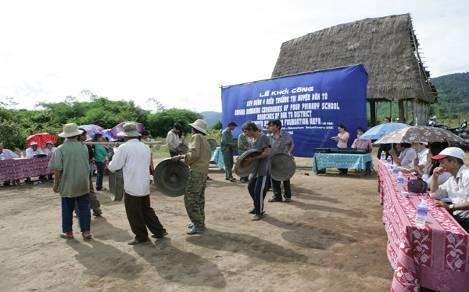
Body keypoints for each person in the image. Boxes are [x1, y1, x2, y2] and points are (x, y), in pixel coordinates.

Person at [108, 122, 167, 245]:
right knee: (146, 210)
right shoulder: (144, 147)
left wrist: (114, 154)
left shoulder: (123, 148)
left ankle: (141, 236)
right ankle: (159, 231)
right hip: (144, 184)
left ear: (125, 136)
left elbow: (114, 167)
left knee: (134, 213)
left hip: (132, 185)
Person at [48, 123, 92, 240]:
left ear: (65, 136)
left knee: (67, 209)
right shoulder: (83, 147)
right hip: (83, 183)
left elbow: (57, 169)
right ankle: (86, 231)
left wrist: (56, 185)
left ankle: (68, 232)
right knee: (84, 208)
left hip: (68, 184)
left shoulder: (60, 149)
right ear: (77, 134)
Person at [173, 119, 211, 234]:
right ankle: (199, 222)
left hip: (196, 172)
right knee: (199, 198)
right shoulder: (205, 140)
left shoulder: (196, 137)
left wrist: (184, 159)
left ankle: (199, 225)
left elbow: (194, 154)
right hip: (203, 172)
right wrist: (183, 156)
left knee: (190, 199)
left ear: (195, 129)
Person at [430, 147, 469, 231]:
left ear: (454, 162)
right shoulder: (451, 179)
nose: (440, 166)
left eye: (443, 162)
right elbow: (434, 194)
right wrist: (435, 176)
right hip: (459, 217)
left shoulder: (467, 175)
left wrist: (450, 207)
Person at [243, 122, 272, 221]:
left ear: (251, 129)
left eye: (246, 132)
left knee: (258, 191)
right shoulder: (252, 140)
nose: (245, 134)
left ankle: (259, 212)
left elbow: (267, 152)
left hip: (263, 169)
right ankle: (257, 206)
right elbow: (252, 154)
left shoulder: (263, 137)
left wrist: (253, 158)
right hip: (255, 170)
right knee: (250, 187)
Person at [267, 119, 294, 202]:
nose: (269, 127)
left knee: (285, 178)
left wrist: (289, 152)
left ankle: (287, 196)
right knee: (274, 178)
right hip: (273, 160)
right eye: (269, 126)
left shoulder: (285, 135)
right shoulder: (269, 137)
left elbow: (291, 144)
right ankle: (277, 196)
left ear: (277, 126)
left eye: (271, 125)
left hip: (284, 160)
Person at [78, 129, 102, 217]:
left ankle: (94, 209)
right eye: (84, 135)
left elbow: (91, 157)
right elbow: (91, 157)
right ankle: (96, 209)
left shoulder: (85, 145)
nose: (85, 137)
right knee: (89, 191)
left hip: (81, 172)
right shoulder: (86, 145)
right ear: (79, 136)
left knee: (80, 192)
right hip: (85, 171)